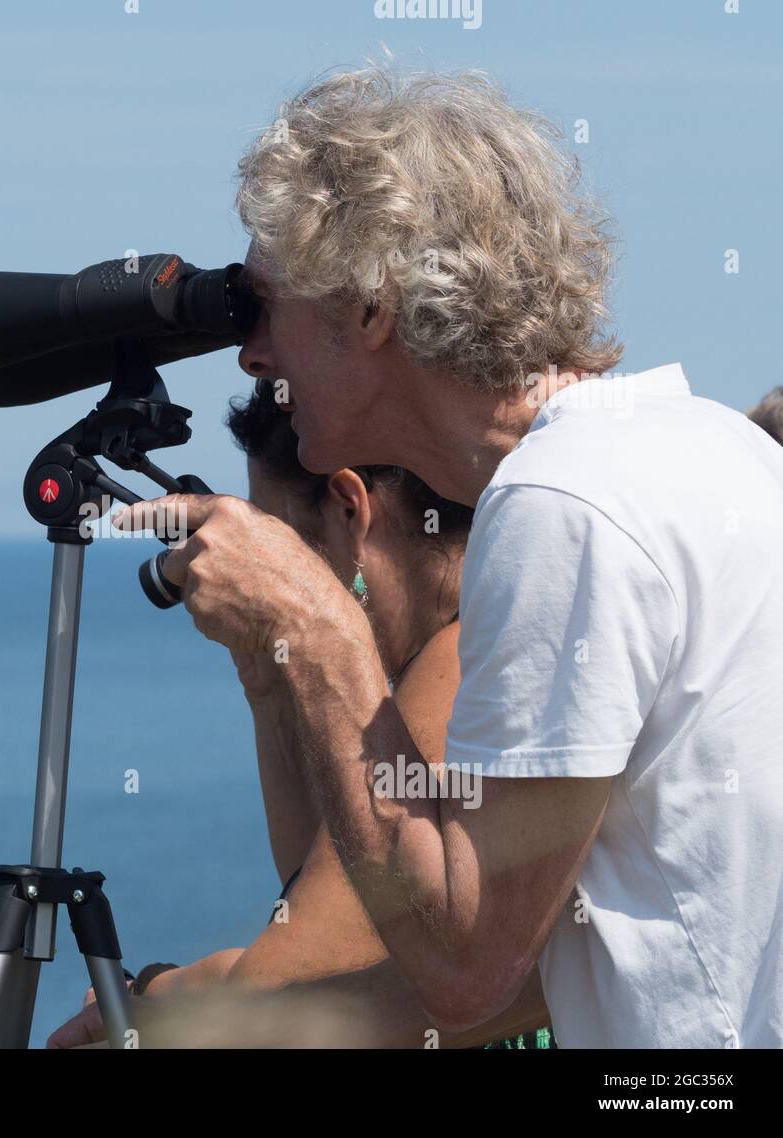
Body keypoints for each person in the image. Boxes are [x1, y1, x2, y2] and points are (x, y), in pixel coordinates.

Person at [115, 66, 783, 1048]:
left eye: (262, 306)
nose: (251, 355)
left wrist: (315, 627)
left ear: (367, 313)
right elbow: (573, 957)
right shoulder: (709, 447)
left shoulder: (566, 503)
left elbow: (467, 965)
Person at [48, 381, 553, 1049]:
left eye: (277, 535)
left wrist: (154, 994)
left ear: (349, 510)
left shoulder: (461, 665)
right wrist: (267, 680)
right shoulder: (469, 642)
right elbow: (329, 902)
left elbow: (277, 989)